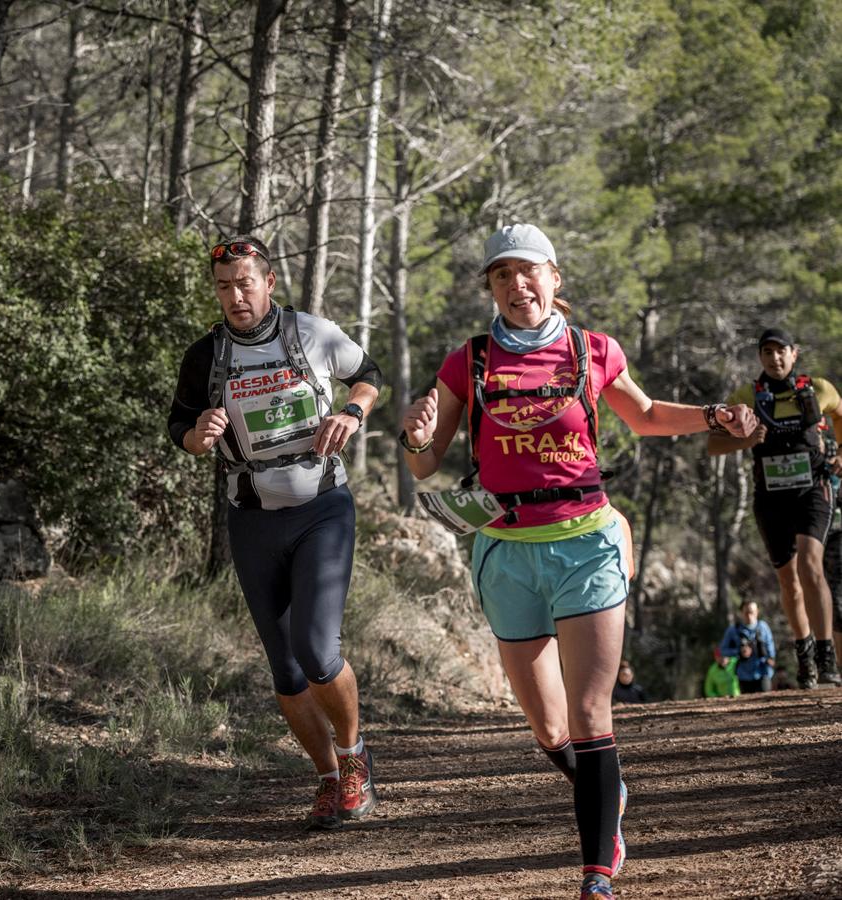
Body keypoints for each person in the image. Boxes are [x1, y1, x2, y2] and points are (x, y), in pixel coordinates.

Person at [400, 223, 757, 900]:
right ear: (491, 288)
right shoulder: (468, 362)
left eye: (527, 272)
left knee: (593, 714)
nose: (516, 286)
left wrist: (713, 416)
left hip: (585, 542)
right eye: (501, 276)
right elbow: (427, 462)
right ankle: (607, 791)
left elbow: (646, 417)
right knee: (548, 725)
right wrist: (414, 437)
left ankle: (596, 873)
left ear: (555, 278)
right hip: (505, 553)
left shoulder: (592, 350)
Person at [168, 235, 383, 830]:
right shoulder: (206, 356)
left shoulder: (312, 332)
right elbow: (178, 424)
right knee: (286, 670)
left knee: (317, 651)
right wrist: (198, 435)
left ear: (268, 283)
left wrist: (352, 411)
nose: (235, 297)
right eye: (223, 287)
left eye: (245, 283)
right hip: (252, 516)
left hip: (321, 507)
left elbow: (368, 375)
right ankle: (327, 777)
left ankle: (354, 754)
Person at [708, 328, 842, 689]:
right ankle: (805, 654)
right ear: (760, 358)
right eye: (767, 352)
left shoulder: (819, 389)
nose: (774, 359)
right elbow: (712, 444)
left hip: (813, 491)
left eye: (781, 352)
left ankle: (826, 654)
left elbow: (840, 414)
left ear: (794, 354)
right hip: (771, 497)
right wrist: (748, 438)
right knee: (789, 580)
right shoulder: (747, 396)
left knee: (812, 564)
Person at [719, 600, 775, 693]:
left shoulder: (763, 627)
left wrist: (770, 658)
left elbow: (770, 646)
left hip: (763, 671)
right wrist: (739, 651)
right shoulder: (733, 630)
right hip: (744, 675)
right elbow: (723, 650)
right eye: (746, 613)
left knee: (765, 701)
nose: (749, 616)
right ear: (741, 613)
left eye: (752, 612)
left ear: (757, 612)